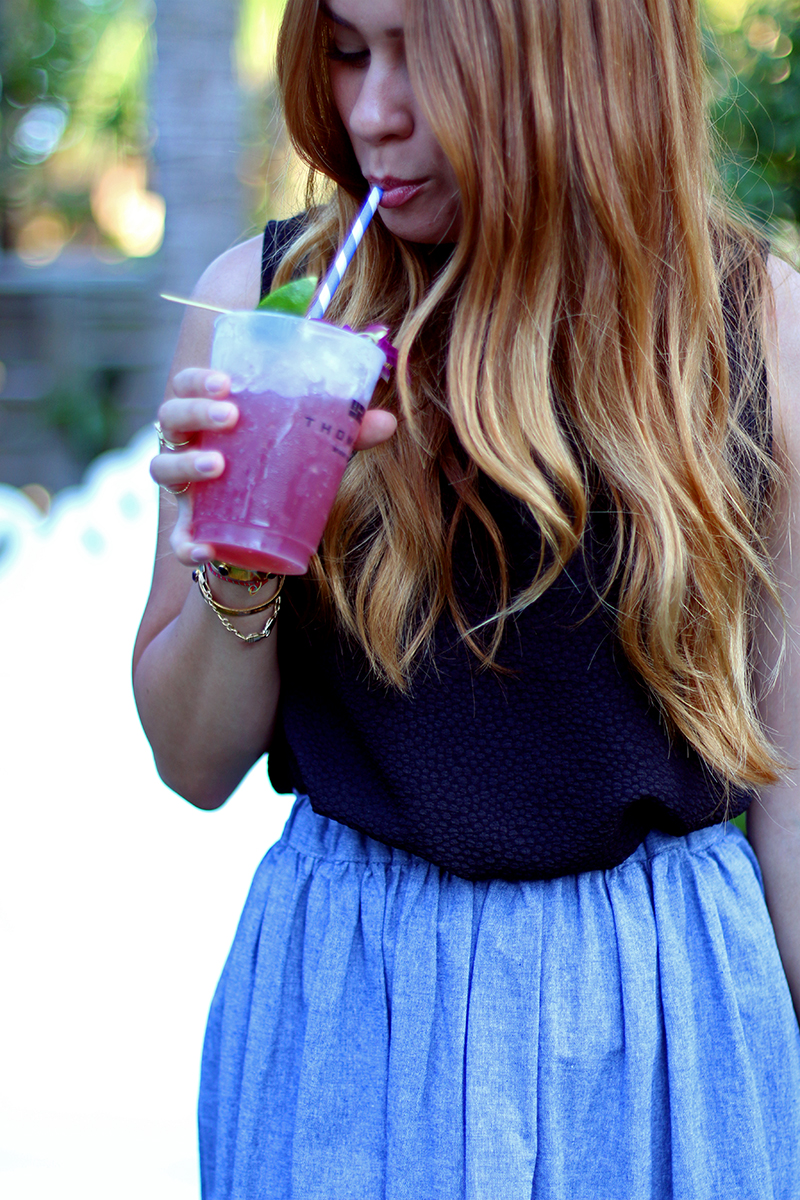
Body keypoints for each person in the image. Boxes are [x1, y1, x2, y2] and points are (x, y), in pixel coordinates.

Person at [133, 0, 800, 1195]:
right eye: (345, 51)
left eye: (427, 60)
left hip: (653, 1025)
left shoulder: (752, 332)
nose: (371, 114)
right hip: (350, 1012)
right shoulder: (267, 307)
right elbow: (192, 762)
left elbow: (791, 790)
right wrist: (237, 564)